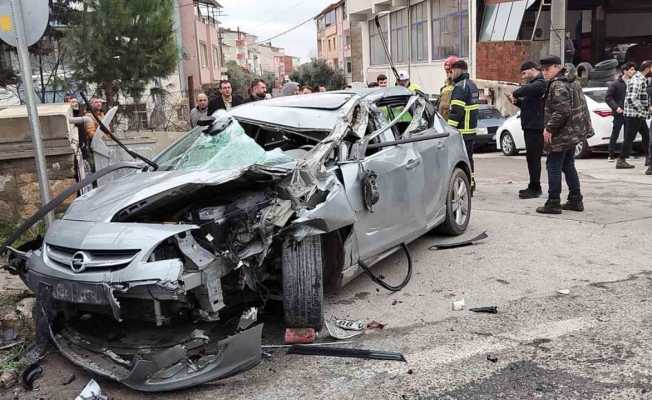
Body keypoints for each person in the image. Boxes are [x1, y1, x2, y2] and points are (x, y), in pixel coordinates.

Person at [536, 55, 592, 214]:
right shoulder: (572, 81)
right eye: (542, 70)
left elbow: (562, 111)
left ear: (557, 67)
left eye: (547, 69)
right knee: (568, 165)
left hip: (561, 134)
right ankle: (575, 199)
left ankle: (553, 201)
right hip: (572, 132)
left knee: (553, 166)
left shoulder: (559, 85)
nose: (544, 72)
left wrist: (549, 128)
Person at [509, 61, 547, 199]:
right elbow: (529, 105)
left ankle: (535, 188)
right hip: (530, 125)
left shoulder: (540, 83)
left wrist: (515, 92)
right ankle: (533, 185)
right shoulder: (534, 85)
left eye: (524, 73)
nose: (523, 77)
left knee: (534, 158)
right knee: (531, 158)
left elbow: (528, 89)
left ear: (532, 69)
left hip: (536, 127)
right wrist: (517, 102)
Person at [447, 60, 479, 192]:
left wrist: (448, 129)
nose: (450, 74)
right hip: (470, 131)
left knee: (458, 160)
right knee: (468, 158)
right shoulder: (472, 85)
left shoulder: (460, 87)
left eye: (451, 71)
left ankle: (464, 185)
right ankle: (471, 183)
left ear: (458, 70)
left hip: (461, 132)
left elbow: (456, 112)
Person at [616, 61, 650, 171]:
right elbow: (631, 98)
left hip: (637, 114)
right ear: (648, 68)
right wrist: (642, 109)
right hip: (634, 115)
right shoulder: (638, 80)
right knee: (629, 138)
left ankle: (649, 159)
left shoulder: (640, 79)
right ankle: (621, 160)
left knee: (646, 136)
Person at [605, 69, 627, 161]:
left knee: (628, 135)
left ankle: (625, 155)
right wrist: (616, 107)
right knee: (615, 133)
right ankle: (611, 154)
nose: (632, 72)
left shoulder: (632, 83)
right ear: (625, 71)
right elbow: (608, 98)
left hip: (630, 112)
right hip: (619, 112)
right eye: (631, 69)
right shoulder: (615, 84)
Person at [438, 56, 460, 120]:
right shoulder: (444, 87)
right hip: (443, 123)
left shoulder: (460, 87)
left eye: (451, 72)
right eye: (447, 72)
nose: (449, 75)